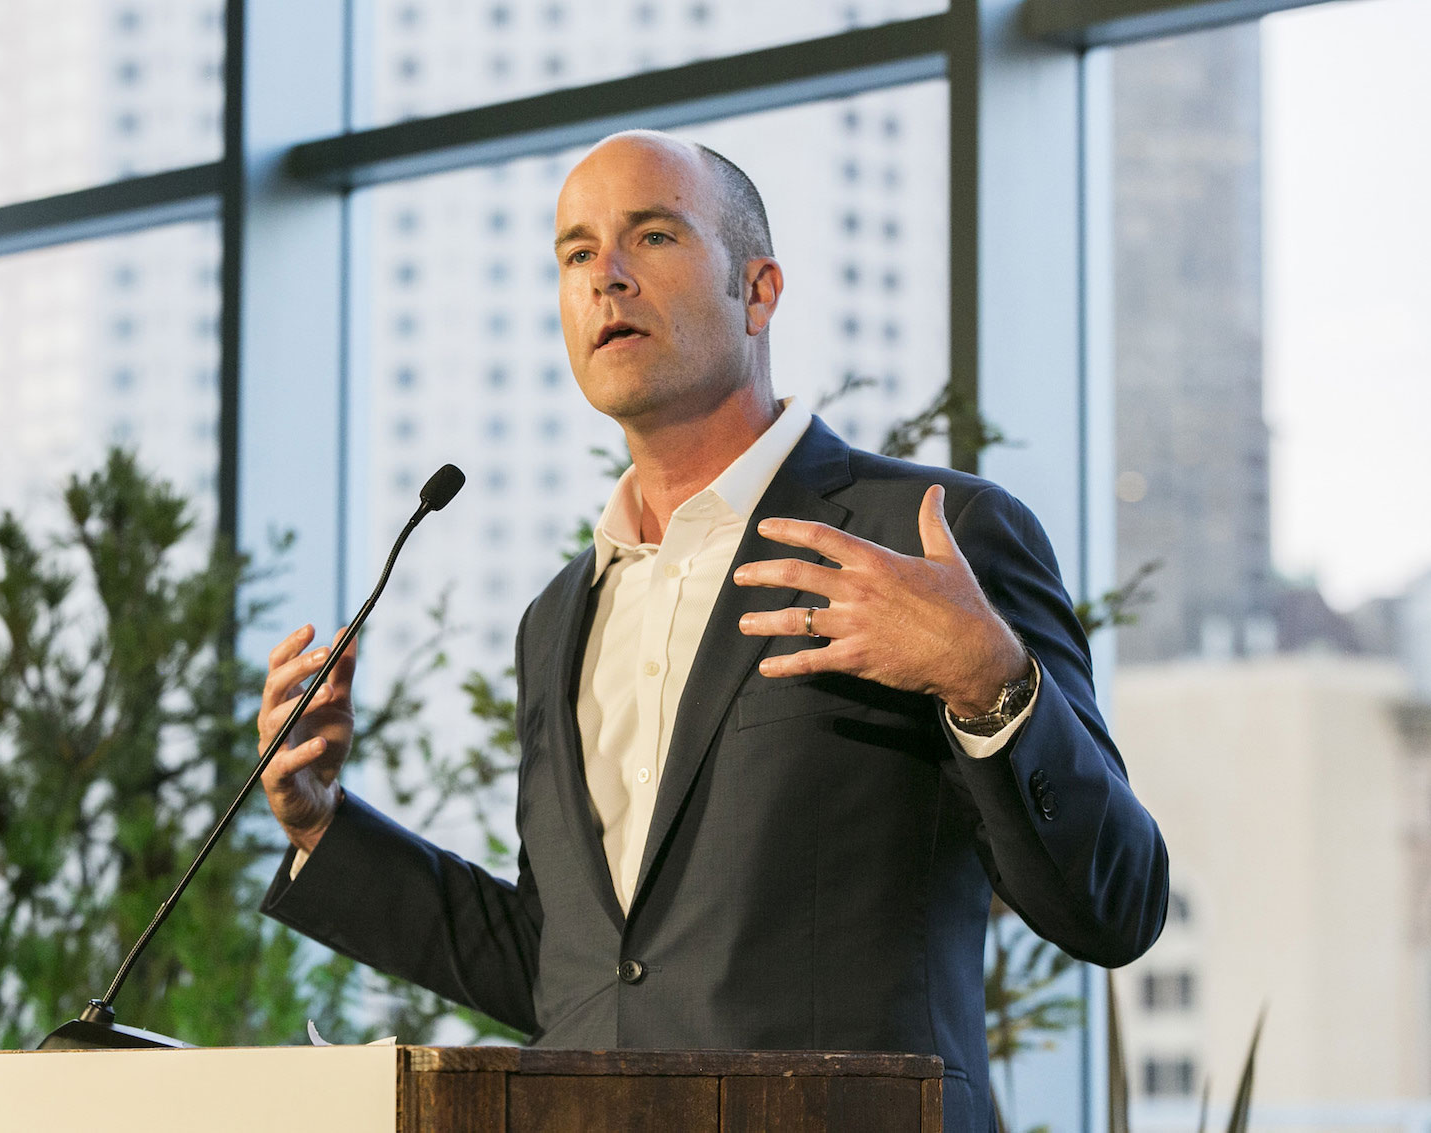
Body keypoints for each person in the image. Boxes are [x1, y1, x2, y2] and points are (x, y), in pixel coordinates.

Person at [256, 130, 1168, 1130]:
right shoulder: (555, 618)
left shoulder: (928, 537)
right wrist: (322, 825)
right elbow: (574, 972)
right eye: (575, 251)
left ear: (757, 291)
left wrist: (989, 678)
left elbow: (1117, 902)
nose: (604, 275)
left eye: (651, 236)